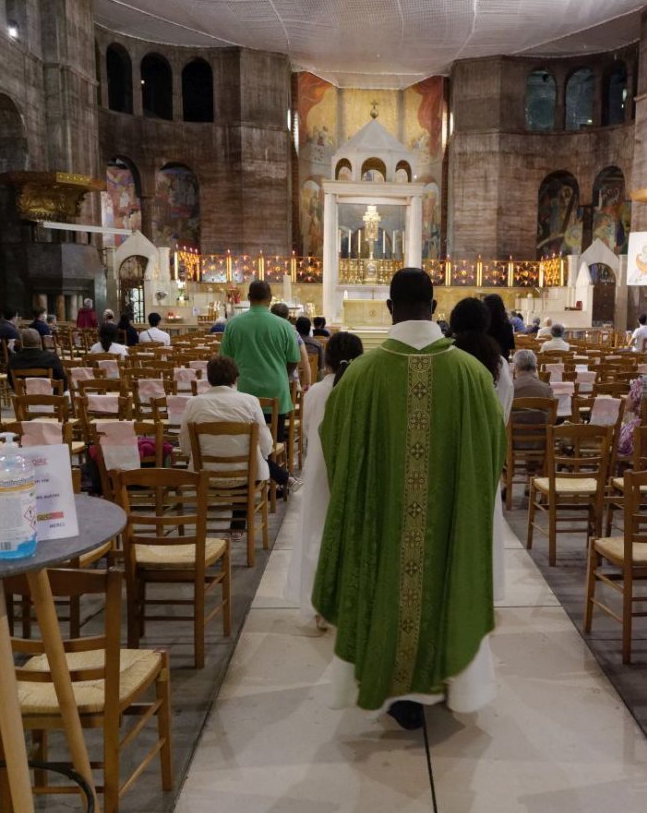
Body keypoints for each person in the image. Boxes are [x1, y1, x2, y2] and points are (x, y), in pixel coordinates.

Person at [312, 268, 506, 729]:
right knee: (444, 581)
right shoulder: (472, 376)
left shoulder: (359, 376)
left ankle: (395, 687)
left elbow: (335, 450)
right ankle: (446, 682)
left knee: (389, 584)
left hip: (384, 527)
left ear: (389, 308)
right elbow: (491, 454)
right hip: (446, 530)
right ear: (435, 309)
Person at [287, 332, 364, 625]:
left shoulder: (317, 392)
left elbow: (307, 431)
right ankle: (351, 602)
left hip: (320, 469)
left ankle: (318, 604)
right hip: (353, 469)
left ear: (328, 359)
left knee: (318, 533)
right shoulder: (363, 388)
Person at [449, 296, 513, 603]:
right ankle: (483, 588)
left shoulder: (449, 357)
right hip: (488, 448)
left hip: (453, 448)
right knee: (486, 517)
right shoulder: (499, 362)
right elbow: (505, 408)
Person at [180, 355, 276, 531]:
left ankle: (228, 533)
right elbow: (266, 444)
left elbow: (185, 445)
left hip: (205, 475)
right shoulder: (250, 401)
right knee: (255, 468)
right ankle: (237, 532)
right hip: (246, 475)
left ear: (209, 379)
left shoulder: (193, 403)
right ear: (235, 377)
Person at [220, 281, 299, 439]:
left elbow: (225, 359)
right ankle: (273, 463)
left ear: (249, 297)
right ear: (270, 299)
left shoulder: (233, 325)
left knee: (247, 442)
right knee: (276, 442)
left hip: (245, 389)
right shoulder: (284, 325)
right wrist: (283, 373)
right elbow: (294, 359)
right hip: (276, 390)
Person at [272, 302, 311, 389]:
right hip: (291, 382)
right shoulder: (293, 333)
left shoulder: (266, 333)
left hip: (270, 379)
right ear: (287, 317)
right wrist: (308, 382)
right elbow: (305, 359)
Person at [483, 293, 515, 357]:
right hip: (502, 361)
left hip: (485, 360)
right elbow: (510, 347)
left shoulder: (483, 326)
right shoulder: (508, 326)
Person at [296, 315, 324, 381]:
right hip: (312, 381)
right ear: (309, 328)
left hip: (294, 384)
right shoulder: (317, 344)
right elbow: (321, 366)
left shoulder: (291, 343)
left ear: (296, 328)